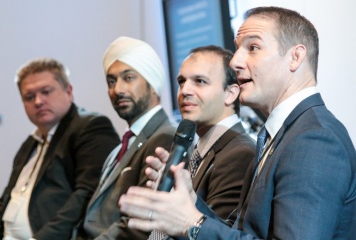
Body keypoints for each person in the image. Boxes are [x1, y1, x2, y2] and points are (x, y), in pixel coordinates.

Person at [118, 6, 356, 239]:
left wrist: (194, 224)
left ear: (295, 57)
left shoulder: (314, 139)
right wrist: (192, 204)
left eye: (253, 48)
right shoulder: (285, 134)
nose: (235, 62)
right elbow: (247, 232)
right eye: (237, 49)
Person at [0, 58, 120, 240]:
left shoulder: (91, 127)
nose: (38, 101)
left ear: (68, 91)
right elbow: (6, 198)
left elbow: (87, 196)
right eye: (29, 97)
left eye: (46, 92)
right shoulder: (30, 143)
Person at [147, 45, 256, 240]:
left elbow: (214, 233)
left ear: (231, 93)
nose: (184, 91)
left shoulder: (240, 153)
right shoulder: (195, 151)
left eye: (200, 81)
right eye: (181, 82)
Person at [77, 36, 177, 240]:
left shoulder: (165, 137)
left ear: (152, 82)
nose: (118, 90)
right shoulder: (121, 146)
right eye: (111, 81)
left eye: (128, 78)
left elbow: (140, 223)